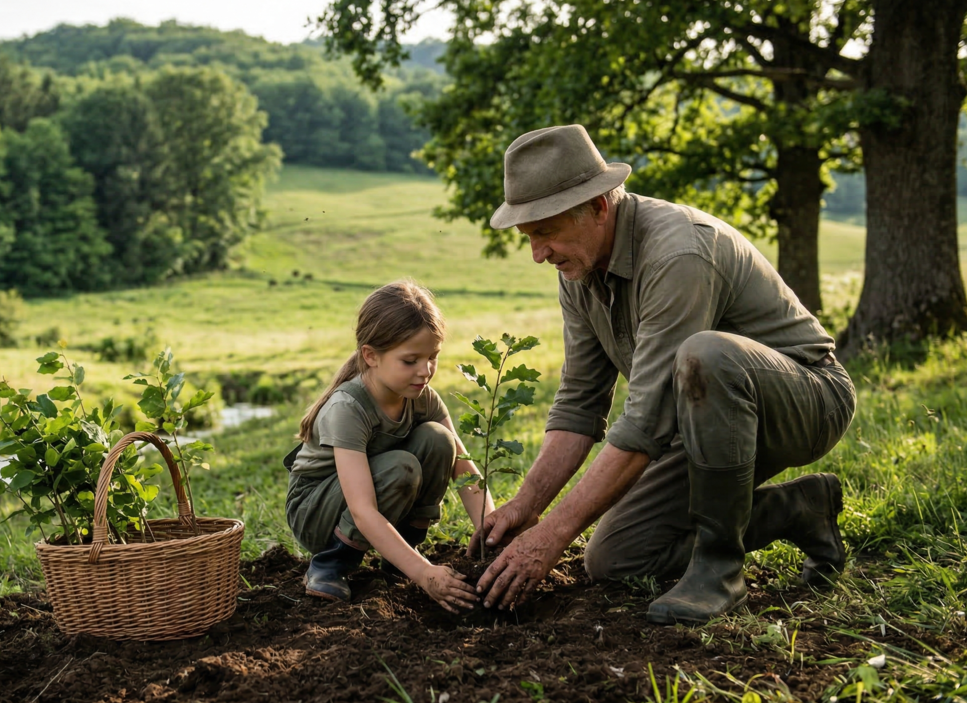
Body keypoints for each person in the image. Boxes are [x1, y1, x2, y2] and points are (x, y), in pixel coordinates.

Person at [470, 125, 857, 624]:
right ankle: (799, 510)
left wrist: (552, 537)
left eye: (544, 232)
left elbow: (648, 420)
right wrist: (528, 507)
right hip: (699, 424)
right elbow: (580, 403)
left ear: (598, 207)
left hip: (807, 400)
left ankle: (718, 571)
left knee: (706, 355)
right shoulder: (580, 271)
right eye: (528, 238)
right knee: (614, 558)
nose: (538, 253)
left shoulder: (678, 252)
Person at [284, 280, 495, 612]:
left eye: (432, 357)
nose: (425, 371)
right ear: (371, 356)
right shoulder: (349, 408)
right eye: (410, 360)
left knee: (441, 442)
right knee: (401, 467)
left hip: (371, 492)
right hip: (317, 510)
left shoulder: (422, 397)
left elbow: (463, 467)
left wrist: (491, 530)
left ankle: (401, 556)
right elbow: (362, 509)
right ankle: (332, 565)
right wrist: (425, 574)